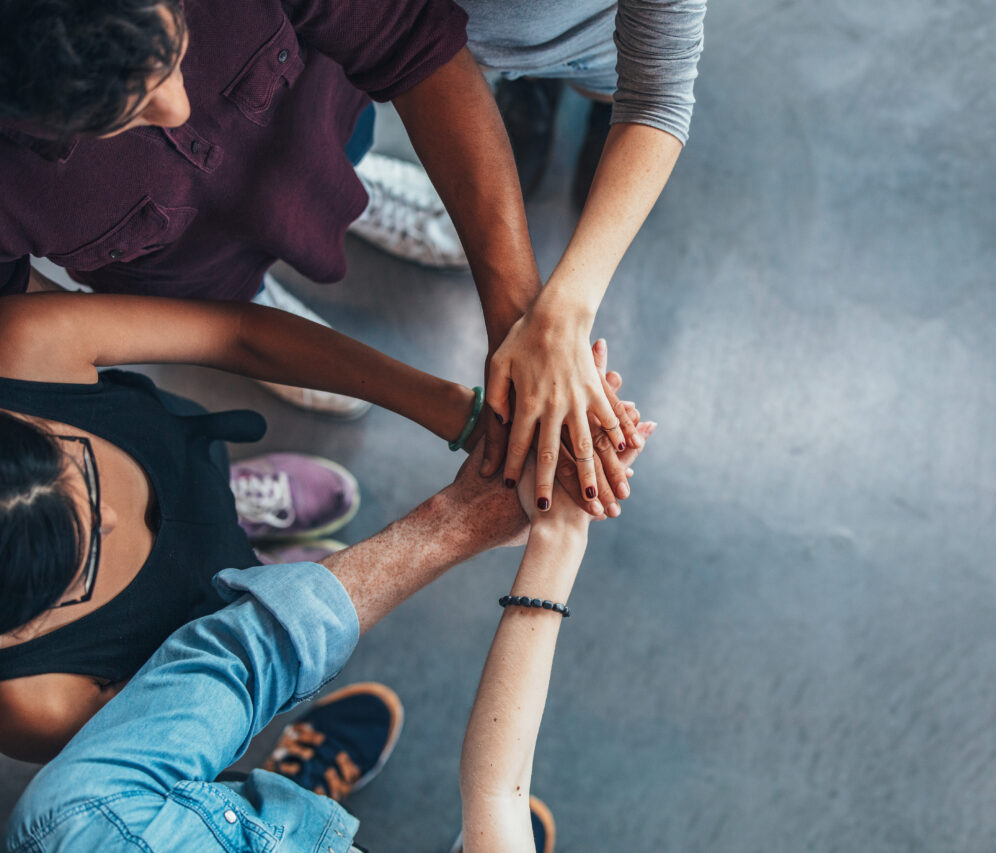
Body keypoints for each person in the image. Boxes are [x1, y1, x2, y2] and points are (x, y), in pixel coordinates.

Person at [0, 0, 645, 511]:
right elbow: (203, 333)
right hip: (182, 275)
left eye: (176, 46)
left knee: (344, 154)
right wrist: (459, 412)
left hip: (315, 117)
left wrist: (519, 322)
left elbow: (409, 45)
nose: (179, 105)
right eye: (124, 112)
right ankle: (266, 293)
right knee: (223, 298)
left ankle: (354, 192)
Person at [0, 289, 637, 763]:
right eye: (79, 561)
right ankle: (260, 585)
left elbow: (237, 332)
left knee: (204, 490)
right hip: (199, 624)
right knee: (247, 617)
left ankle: (241, 514)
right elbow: (226, 686)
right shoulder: (39, 703)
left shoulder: (23, 347)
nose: (109, 512)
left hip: (184, 461)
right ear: (18, 630)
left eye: (69, 466)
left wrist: (460, 416)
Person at [3, 417, 654, 852]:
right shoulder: (74, 817)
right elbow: (493, 796)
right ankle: (293, 797)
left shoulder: (82, 818)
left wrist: (536, 533)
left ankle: (291, 795)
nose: (110, 516)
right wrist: (555, 533)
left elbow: (495, 796)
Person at [352, 0, 706, 504]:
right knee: (510, 90)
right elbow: (413, 39)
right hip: (470, 51)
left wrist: (562, 314)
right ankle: (532, 96)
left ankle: (595, 110)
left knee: (609, 87)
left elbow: (656, 94)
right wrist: (527, 327)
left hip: (596, 47)